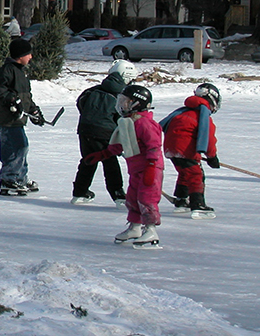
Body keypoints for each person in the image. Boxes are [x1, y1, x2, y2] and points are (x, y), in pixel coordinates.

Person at [84, 84, 164, 247]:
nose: (122, 105)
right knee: (133, 198)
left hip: (150, 168)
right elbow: (121, 144)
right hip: (136, 169)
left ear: (137, 104)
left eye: (126, 102)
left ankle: (150, 230)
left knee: (147, 198)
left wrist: (150, 166)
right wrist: (103, 154)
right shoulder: (128, 122)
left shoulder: (144, 123)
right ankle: (135, 227)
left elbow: (154, 146)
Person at [70, 59, 136, 205]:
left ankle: (79, 193)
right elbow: (122, 117)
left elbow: (81, 102)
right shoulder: (121, 95)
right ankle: (118, 195)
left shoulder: (93, 90)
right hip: (105, 133)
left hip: (85, 130)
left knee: (88, 160)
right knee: (110, 161)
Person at [0, 37, 45, 196]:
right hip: (6, 118)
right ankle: (9, 179)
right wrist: (13, 100)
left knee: (22, 147)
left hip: (16, 118)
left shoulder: (20, 72)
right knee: (16, 147)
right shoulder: (7, 70)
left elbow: (26, 96)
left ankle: (20, 177)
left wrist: (34, 111)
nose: (31, 57)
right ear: (20, 56)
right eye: (28, 54)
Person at [160, 82, 221, 218]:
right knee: (196, 175)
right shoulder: (203, 116)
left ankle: (181, 200)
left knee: (184, 173)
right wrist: (212, 157)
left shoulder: (184, 111)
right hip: (185, 150)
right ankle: (197, 204)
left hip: (171, 149)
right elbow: (208, 139)